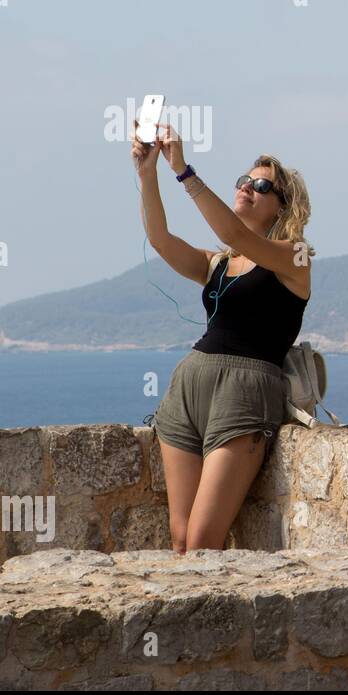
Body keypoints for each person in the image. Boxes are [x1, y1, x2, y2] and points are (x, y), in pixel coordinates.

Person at [131, 120, 314, 553]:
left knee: (203, 541)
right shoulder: (216, 263)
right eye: (244, 180)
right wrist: (147, 173)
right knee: (180, 539)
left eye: (262, 186)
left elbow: (232, 232)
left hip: (245, 393)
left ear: (282, 208)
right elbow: (159, 240)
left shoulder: (297, 257)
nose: (248, 187)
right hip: (190, 387)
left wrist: (184, 171)